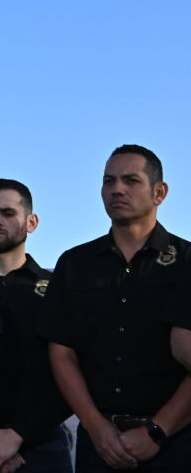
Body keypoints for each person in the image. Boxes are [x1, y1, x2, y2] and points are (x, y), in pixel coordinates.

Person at [40, 145, 191, 471]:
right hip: (100, 445)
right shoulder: (74, 264)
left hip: (178, 443)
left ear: (159, 192)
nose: (117, 189)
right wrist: (95, 427)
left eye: (131, 180)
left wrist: (158, 430)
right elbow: (61, 353)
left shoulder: (188, 262)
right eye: (109, 181)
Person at [0, 179, 72, 473]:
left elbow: (74, 369)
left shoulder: (56, 290)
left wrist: (18, 435)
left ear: (31, 222)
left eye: (7, 213)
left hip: (44, 443)